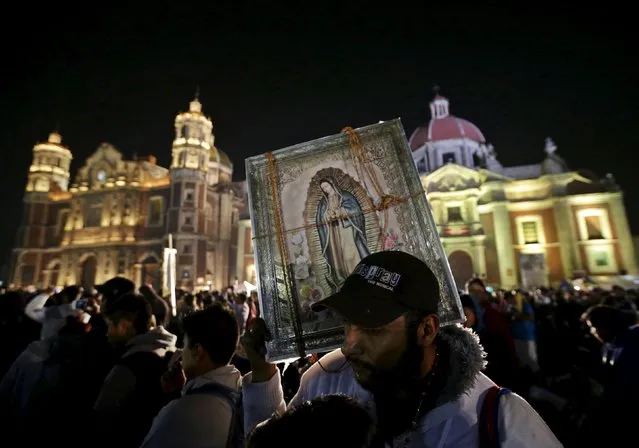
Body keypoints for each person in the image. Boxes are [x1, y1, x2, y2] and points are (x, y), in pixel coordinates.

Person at [242, 251, 561, 447]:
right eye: (347, 324)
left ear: (426, 330)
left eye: (373, 329)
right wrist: (262, 375)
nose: (349, 346)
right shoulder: (326, 378)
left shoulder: (497, 419)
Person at [141, 303, 243, 448]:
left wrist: (172, 401)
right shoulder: (238, 389)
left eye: (185, 343)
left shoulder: (182, 412)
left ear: (197, 351)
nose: (182, 352)